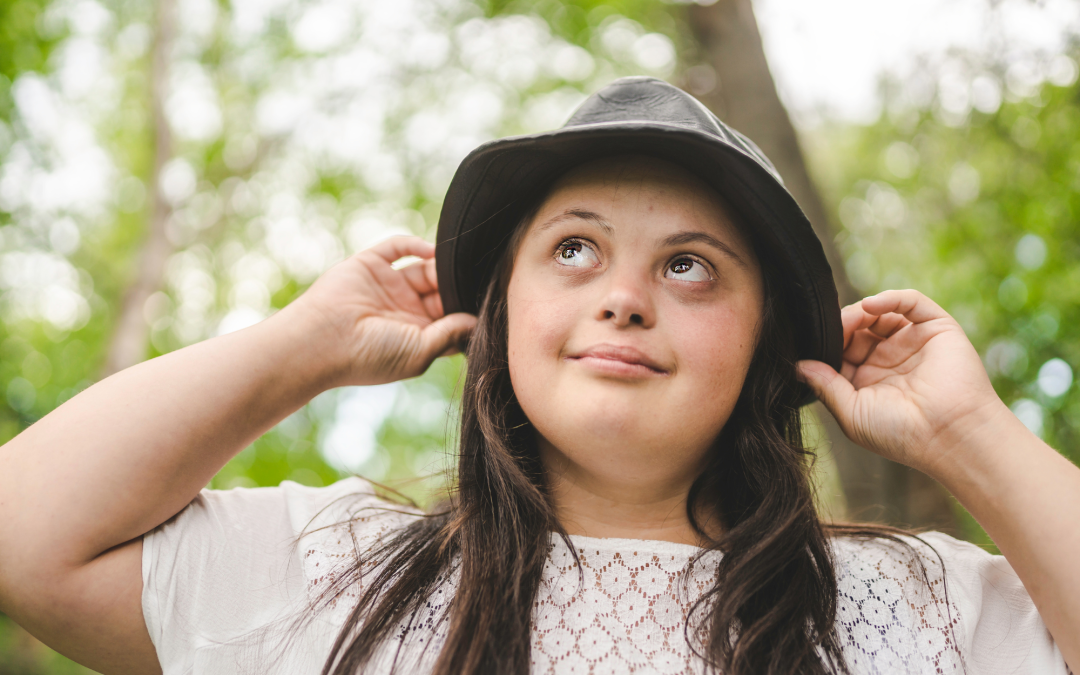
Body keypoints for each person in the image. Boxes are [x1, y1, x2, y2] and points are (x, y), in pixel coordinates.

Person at [0, 77, 1076, 675]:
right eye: (574, 248)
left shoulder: (920, 606)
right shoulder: (328, 575)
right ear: (501, 313)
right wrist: (303, 345)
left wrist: (968, 434)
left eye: (690, 266)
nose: (625, 296)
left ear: (765, 344)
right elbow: (21, 535)